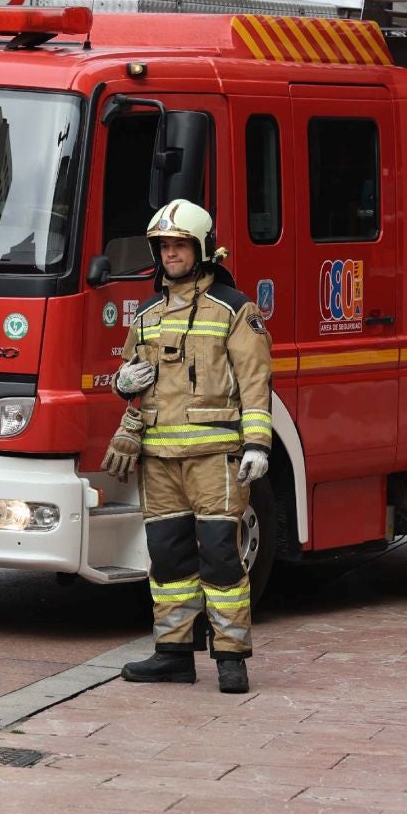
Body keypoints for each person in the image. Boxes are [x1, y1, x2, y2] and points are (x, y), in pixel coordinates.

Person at [101, 200, 274, 695]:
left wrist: (257, 445)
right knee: (168, 560)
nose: (170, 254)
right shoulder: (148, 316)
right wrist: (122, 383)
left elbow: (256, 383)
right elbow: (138, 383)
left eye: (178, 245)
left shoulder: (235, 310)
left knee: (221, 558)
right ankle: (173, 654)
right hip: (158, 460)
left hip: (215, 459)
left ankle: (230, 657)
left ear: (201, 249)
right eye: (163, 247)